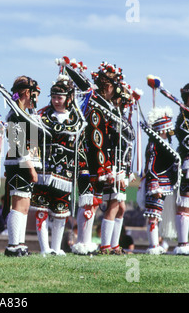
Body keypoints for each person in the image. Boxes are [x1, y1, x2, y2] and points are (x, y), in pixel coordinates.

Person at [32, 74, 93, 256]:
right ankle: (44, 248)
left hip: (65, 174)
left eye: (60, 97)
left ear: (69, 98)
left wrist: (83, 173)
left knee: (60, 212)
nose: (56, 101)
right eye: (53, 97)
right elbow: (33, 143)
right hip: (44, 171)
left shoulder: (78, 121)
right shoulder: (41, 116)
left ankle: (57, 248)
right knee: (42, 210)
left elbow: (80, 148)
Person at [72, 62, 124, 255]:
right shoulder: (95, 108)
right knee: (89, 202)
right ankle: (83, 244)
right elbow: (96, 141)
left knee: (92, 201)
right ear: (108, 86)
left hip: (97, 162)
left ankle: (84, 244)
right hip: (90, 162)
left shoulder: (103, 107)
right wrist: (104, 167)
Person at [4, 76, 41, 257]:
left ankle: (20, 243)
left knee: (25, 205)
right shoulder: (15, 115)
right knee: (18, 204)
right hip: (19, 164)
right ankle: (12, 244)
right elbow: (18, 144)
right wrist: (31, 168)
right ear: (27, 93)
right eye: (35, 94)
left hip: (26, 163)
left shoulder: (27, 114)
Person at [101, 81, 136, 255]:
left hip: (123, 167)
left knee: (121, 208)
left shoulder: (122, 118)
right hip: (114, 166)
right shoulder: (112, 118)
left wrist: (129, 172)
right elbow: (112, 145)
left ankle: (114, 245)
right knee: (113, 205)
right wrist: (111, 170)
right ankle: (106, 246)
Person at [140, 106, 180, 254]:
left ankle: (158, 244)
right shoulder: (153, 145)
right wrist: (154, 185)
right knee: (153, 215)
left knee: (158, 216)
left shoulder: (164, 144)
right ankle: (153, 246)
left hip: (165, 185)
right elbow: (150, 168)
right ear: (162, 129)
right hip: (155, 185)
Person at [174, 83, 189, 255]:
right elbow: (185, 141)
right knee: (185, 204)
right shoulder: (183, 119)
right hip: (187, 165)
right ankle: (183, 243)